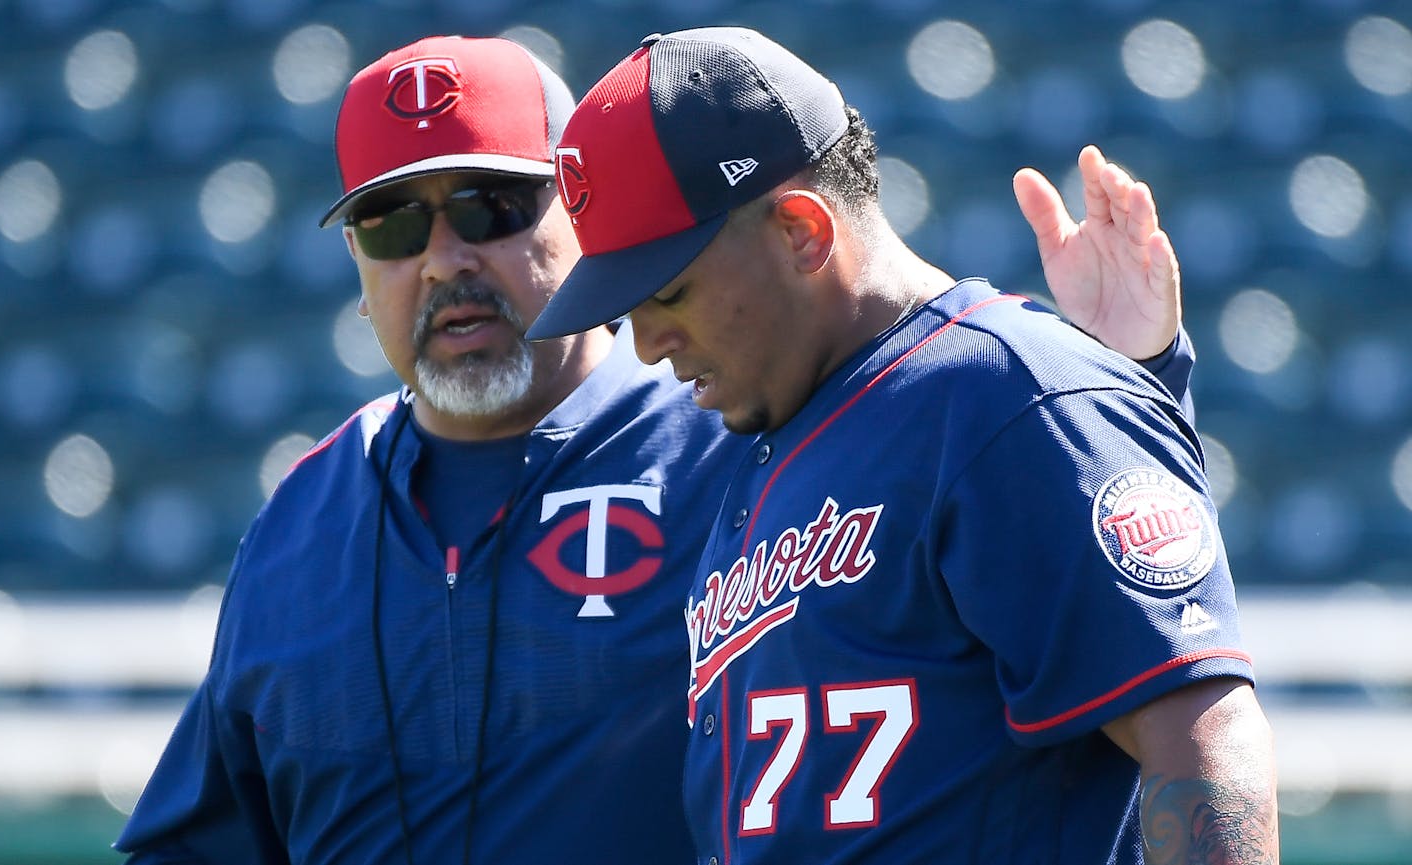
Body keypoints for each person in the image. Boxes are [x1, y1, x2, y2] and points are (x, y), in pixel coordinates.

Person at [114, 33, 1199, 865]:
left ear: (585, 210)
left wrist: (1134, 380)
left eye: (492, 204)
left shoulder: (754, 426)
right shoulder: (297, 526)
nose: (446, 256)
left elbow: (1110, 592)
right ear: (356, 264)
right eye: (392, 225)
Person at [526, 26, 1277, 865]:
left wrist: (1128, 382)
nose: (648, 343)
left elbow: (1204, 743)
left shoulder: (1011, 397)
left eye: (667, 291)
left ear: (802, 231)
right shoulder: (766, 436)